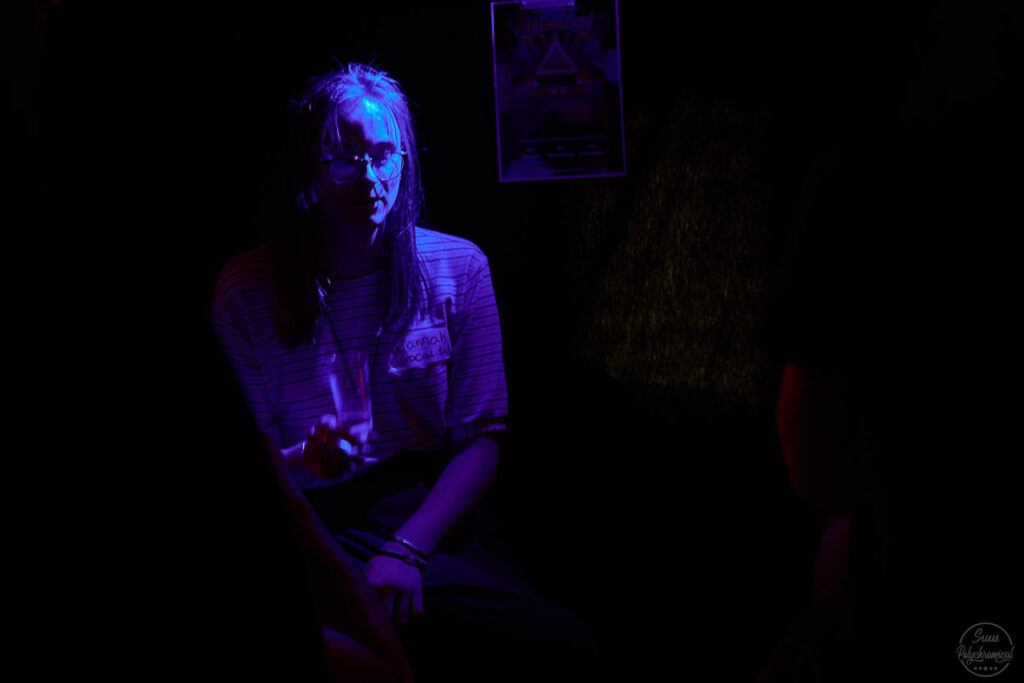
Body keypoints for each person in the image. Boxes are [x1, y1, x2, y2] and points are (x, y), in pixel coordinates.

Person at [211, 62, 597, 682]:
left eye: (383, 154)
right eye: (345, 159)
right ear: (309, 169)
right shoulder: (246, 289)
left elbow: (480, 445)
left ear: (405, 159)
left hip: (422, 511)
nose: (369, 176)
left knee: (559, 646)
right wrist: (304, 460)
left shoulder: (457, 269)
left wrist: (407, 548)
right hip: (304, 518)